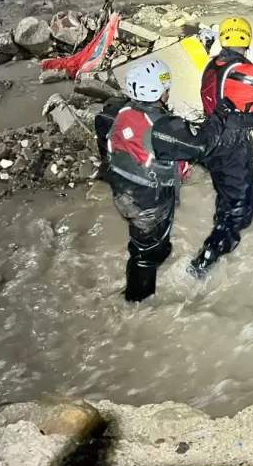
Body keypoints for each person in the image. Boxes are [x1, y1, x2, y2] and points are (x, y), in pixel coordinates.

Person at [95, 58, 225, 303]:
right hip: (149, 201)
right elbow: (201, 146)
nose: (168, 91)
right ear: (158, 90)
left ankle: (154, 255)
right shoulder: (164, 128)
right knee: (146, 254)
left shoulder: (113, 112)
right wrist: (218, 118)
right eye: (166, 87)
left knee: (150, 243)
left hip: (123, 190)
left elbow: (106, 138)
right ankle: (136, 302)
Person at [189, 16, 253, 279]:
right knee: (241, 207)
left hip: (212, 138)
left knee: (228, 195)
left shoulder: (215, 65)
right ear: (246, 39)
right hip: (231, 143)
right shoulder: (241, 73)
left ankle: (222, 230)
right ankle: (206, 259)